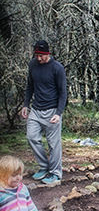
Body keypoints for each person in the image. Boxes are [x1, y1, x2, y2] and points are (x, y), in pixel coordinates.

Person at [21, 40, 67, 184]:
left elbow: (63, 93)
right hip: (36, 109)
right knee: (31, 137)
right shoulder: (32, 65)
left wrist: (58, 113)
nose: (39, 58)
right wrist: (25, 104)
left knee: (54, 145)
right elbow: (30, 86)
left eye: (41, 55)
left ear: (48, 53)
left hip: (52, 110)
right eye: (36, 55)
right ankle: (44, 166)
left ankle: (55, 173)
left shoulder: (57, 68)